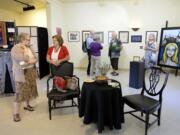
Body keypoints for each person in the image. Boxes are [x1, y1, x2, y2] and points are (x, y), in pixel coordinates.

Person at [11, 33, 38, 122]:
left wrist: (31, 61)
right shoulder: (16, 48)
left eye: (29, 39)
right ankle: (16, 114)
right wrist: (27, 57)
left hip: (30, 72)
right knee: (19, 94)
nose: (29, 41)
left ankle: (27, 105)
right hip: (21, 74)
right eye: (28, 39)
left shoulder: (29, 47)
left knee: (29, 90)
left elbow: (35, 58)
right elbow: (21, 59)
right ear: (22, 40)